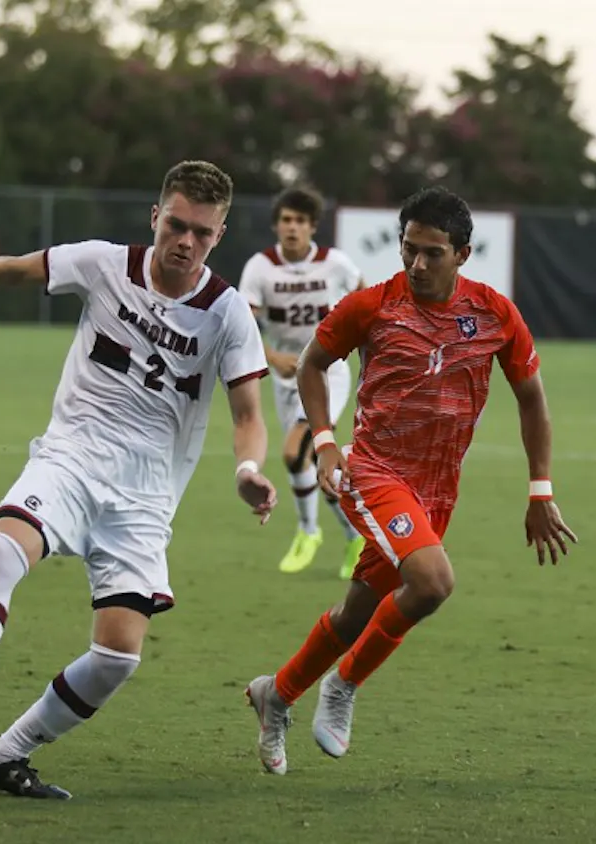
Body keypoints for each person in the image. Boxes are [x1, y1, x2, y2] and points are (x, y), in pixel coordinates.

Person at [0, 160, 278, 798]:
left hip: (144, 494)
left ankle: (6, 756)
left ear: (218, 235)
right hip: (73, 455)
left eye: (201, 231)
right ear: (155, 216)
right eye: (176, 224)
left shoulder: (226, 313)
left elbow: (249, 415)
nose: (185, 241)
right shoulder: (103, 263)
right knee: (5, 547)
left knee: (117, 657)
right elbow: (13, 267)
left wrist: (249, 469)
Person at [242, 186, 577, 775]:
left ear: (463, 254)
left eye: (433, 253)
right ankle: (343, 686)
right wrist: (325, 444)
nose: (418, 264)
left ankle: (278, 694)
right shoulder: (372, 305)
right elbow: (315, 365)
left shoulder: (495, 314)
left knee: (354, 615)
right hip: (374, 471)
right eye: (409, 250)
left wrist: (540, 491)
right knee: (432, 582)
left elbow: (532, 399)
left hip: (437, 489)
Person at [238, 187, 368, 579]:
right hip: (285, 375)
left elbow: (368, 304)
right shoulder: (260, 268)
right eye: (286, 220)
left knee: (295, 452)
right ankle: (355, 536)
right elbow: (243, 325)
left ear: (312, 227)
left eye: (300, 221)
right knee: (313, 462)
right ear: (277, 225)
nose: (292, 228)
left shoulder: (336, 264)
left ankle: (308, 532)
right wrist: (272, 357)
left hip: (328, 373)